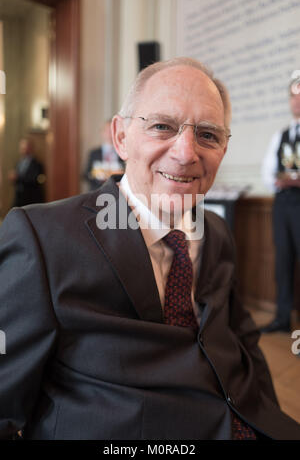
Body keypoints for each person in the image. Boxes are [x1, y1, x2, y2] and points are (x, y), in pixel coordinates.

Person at [0, 57, 300, 440]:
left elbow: (244, 342)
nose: (186, 152)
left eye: (208, 134)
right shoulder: (42, 239)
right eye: (162, 126)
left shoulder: (218, 232)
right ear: (121, 137)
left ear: (223, 148)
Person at [261, 79, 300, 333]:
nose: (296, 101)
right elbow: (267, 174)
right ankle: (283, 318)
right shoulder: (281, 135)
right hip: (283, 206)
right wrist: (282, 181)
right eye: (293, 96)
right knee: (283, 261)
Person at [84, 119, 124, 190]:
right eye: (107, 131)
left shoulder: (123, 152)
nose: (109, 134)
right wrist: (97, 177)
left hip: (118, 191)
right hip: (96, 191)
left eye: (112, 131)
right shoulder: (94, 153)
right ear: (102, 132)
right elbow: (85, 174)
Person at [8, 137, 45, 207]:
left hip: (31, 199)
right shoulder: (19, 162)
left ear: (30, 148)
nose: (22, 149)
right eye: (21, 147)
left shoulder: (37, 164)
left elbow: (36, 180)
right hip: (19, 198)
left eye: (24, 147)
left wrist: (18, 177)